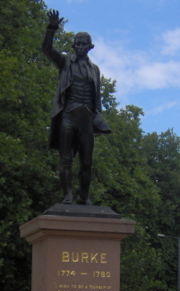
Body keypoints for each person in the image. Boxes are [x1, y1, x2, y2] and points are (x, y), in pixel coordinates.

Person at [42, 10, 111, 205]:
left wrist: (98, 116)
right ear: (74, 45)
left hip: (86, 118)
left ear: (90, 47)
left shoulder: (94, 70)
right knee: (66, 159)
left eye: (84, 44)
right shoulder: (65, 63)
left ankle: (84, 196)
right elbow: (47, 49)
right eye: (77, 43)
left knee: (87, 162)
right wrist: (51, 29)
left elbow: (97, 96)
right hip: (68, 115)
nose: (80, 47)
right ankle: (68, 195)